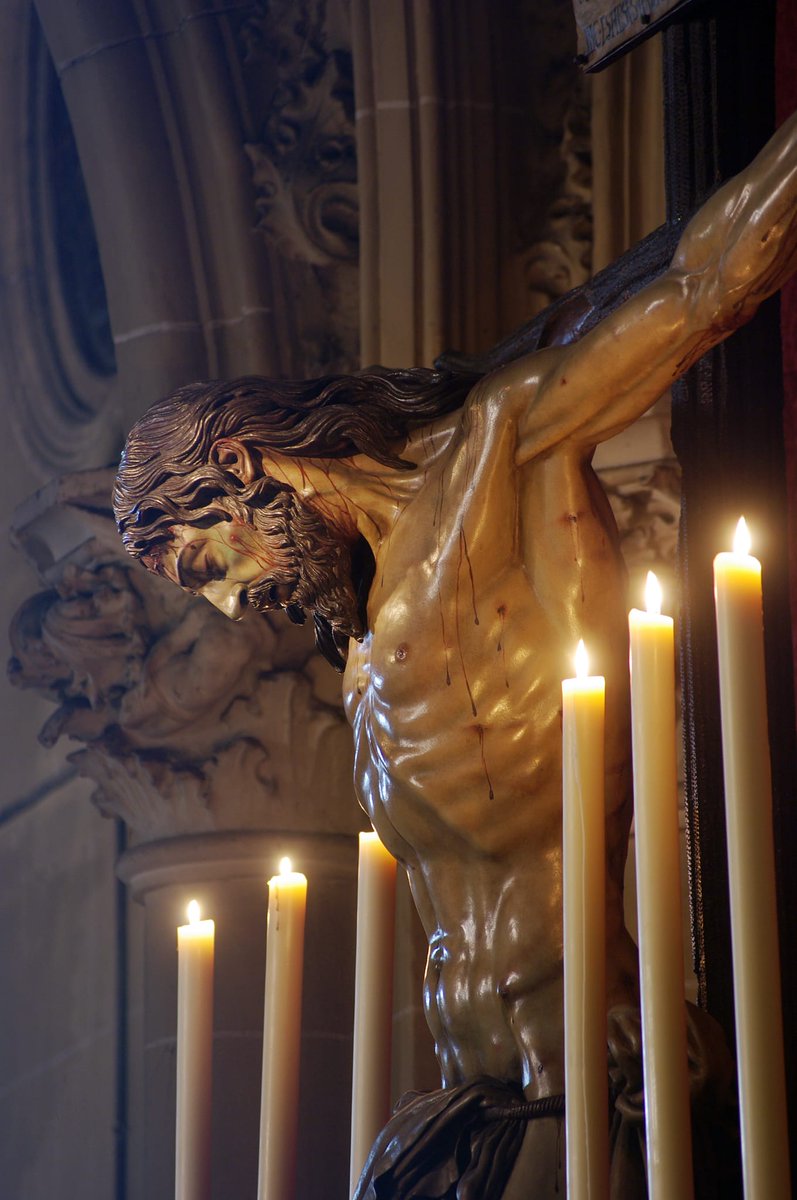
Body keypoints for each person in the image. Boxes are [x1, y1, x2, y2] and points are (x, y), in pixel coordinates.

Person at [114, 112, 797, 1197]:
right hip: (457, 1094)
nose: (238, 607)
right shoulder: (358, 624)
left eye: (213, 565)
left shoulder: (494, 458)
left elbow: (706, 282)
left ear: (241, 467)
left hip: (576, 1065)